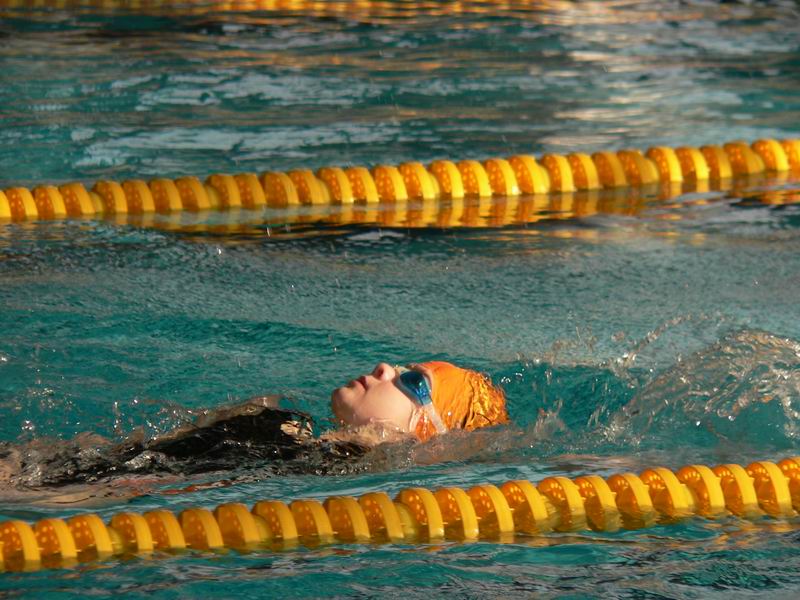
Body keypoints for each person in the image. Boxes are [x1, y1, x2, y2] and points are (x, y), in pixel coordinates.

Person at [0, 360, 508, 503]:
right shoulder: (282, 422)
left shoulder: (337, 476)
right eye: (400, 364)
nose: (383, 368)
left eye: (412, 381)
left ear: (427, 428)